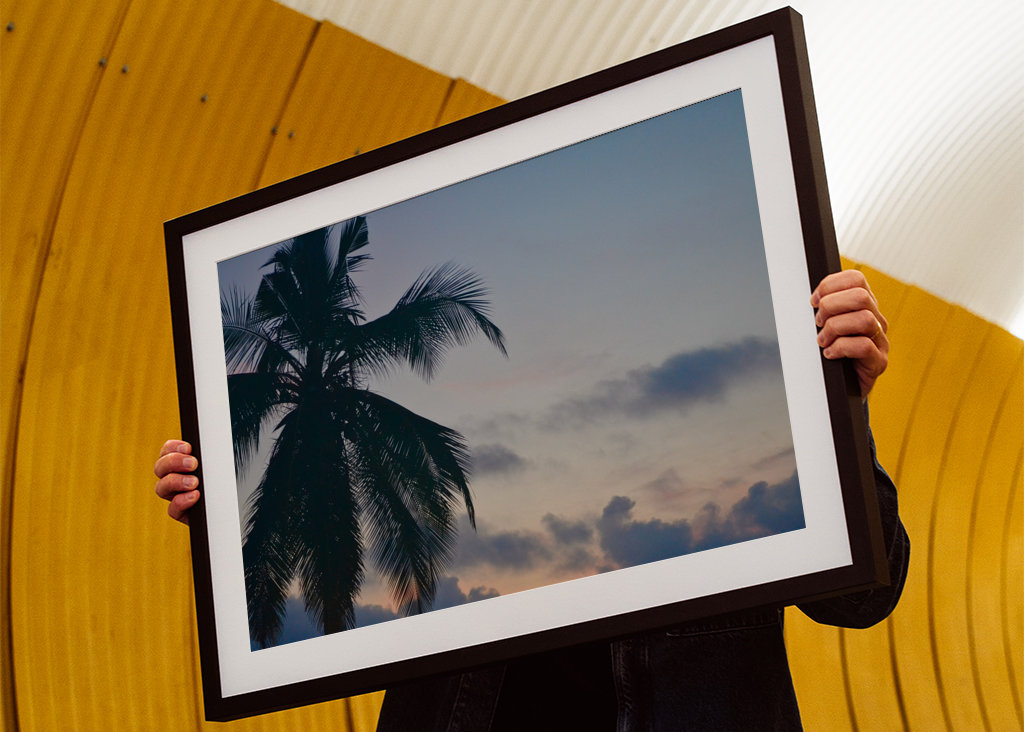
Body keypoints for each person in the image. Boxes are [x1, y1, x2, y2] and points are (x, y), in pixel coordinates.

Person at [155, 270, 909, 731]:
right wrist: (229, 499)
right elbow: (335, 574)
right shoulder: (453, 484)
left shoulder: (750, 438)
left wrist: (841, 405)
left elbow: (866, 595)